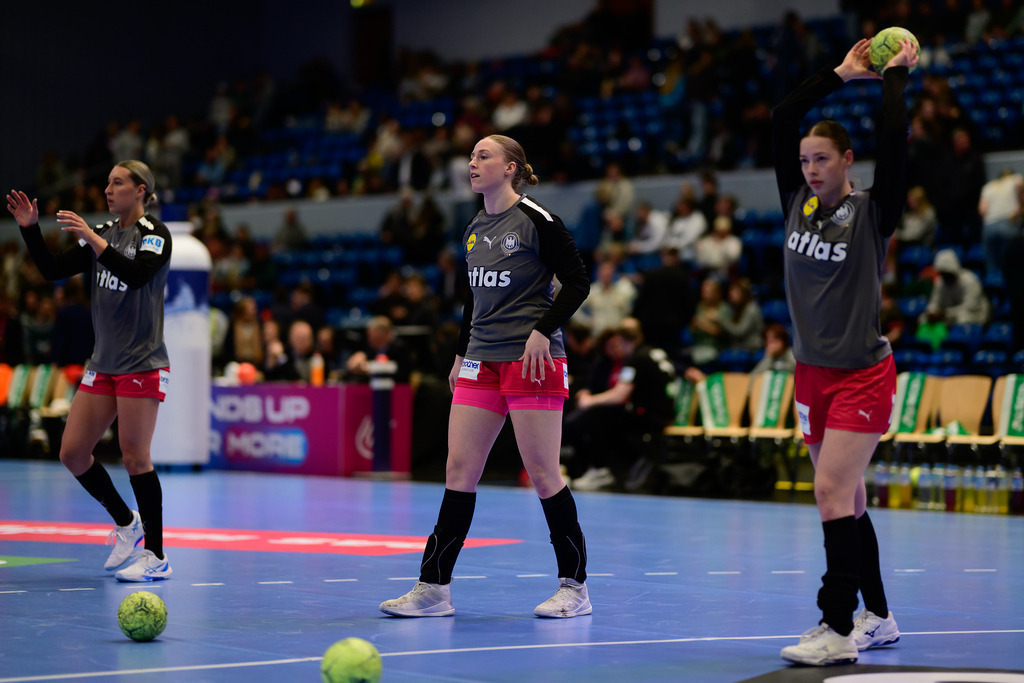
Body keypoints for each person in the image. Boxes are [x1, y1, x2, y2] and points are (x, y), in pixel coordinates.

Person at [379, 134, 592, 619]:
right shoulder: (474, 226)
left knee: (542, 474)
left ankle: (574, 588)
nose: (472, 163)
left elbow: (578, 281)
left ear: (511, 168)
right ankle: (434, 588)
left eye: (483, 156)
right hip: (481, 359)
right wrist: (460, 355)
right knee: (459, 471)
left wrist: (544, 331)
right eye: (472, 156)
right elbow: (472, 300)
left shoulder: (537, 220)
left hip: (531, 360)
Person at [771, 38, 917, 665]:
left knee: (831, 494)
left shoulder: (871, 214)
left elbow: (898, 149)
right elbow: (782, 118)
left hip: (862, 375)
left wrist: (892, 81)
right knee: (848, 502)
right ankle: (877, 616)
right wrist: (840, 74)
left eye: (822, 159)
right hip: (811, 375)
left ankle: (835, 628)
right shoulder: (794, 206)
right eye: (805, 160)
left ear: (846, 161)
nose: (810, 169)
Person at [6, 160, 173, 582]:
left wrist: (94, 241)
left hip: (141, 362)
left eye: (118, 183)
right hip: (104, 363)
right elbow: (51, 269)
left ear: (140, 190)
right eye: (108, 183)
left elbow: (136, 276)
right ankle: (125, 522)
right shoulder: (103, 233)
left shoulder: (154, 235)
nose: (108, 190)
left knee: (136, 456)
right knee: (73, 453)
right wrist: (29, 227)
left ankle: (156, 554)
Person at [563, 323, 676, 491]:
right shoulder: (654, 352)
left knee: (598, 416)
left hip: (652, 418)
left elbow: (619, 395)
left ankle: (601, 470)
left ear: (623, 341)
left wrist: (590, 401)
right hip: (666, 414)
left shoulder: (636, 359)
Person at [919, 248, 991, 327]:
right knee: (923, 319)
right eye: (942, 273)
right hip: (948, 316)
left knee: (963, 319)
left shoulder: (969, 280)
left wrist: (945, 314)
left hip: (975, 315)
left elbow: (970, 307)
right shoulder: (940, 282)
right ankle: (930, 339)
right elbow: (935, 302)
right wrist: (932, 312)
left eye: (946, 273)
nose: (944, 276)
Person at [978, 168, 1024, 279]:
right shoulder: (1016, 179)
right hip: (1008, 222)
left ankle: (995, 291)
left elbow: (982, 210)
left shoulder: (988, 186)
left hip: (989, 226)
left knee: (992, 268)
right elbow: (1022, 198)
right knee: (1013, 264)